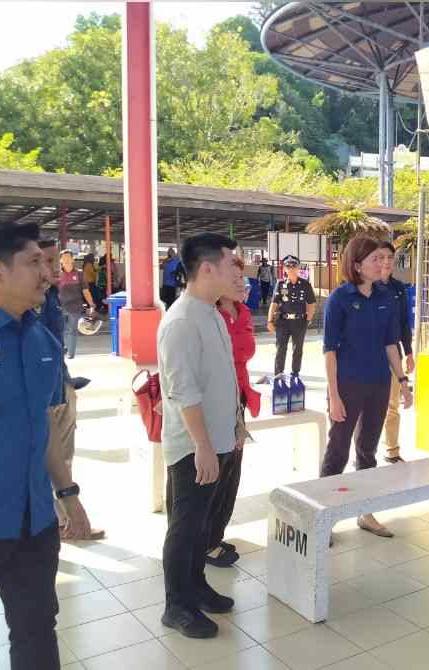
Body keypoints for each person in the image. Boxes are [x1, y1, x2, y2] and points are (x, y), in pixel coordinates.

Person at [0, 220, 91, 670]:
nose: (48, 273)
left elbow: (45, 427)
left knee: (36, 631)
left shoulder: (42, 340)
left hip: (35, 527)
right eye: (34, 262)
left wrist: (68, 495)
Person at [157, 233, 247, 638]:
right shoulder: (180, 321)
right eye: (232, 265)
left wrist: (236, 423)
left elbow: (223, 377)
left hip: (219, 439)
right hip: (195, 447)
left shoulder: (211, 312)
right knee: (186, 525)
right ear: (207, 268)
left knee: (204, 523)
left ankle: (196, 587)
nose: (237, 273)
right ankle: (176, 605)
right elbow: (182, 390)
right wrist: (203, 447)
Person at [321, 236, 413, 539]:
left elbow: (390, 344)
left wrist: (402, 381)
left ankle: (366, 512)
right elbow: (329, 350)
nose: (382, 264)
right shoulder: (340, 299)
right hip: (346, 385)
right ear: (357, 264)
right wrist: (333, 396)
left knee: (368, 451)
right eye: (375, 259)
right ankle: (325, 517)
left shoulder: (386, 297)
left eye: (383, 259)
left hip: (378, 383)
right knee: (337, 451)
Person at [38, 239, 104, 541]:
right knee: (50, 457)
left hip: (59, 383)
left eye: (55, 261)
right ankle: (60, 520)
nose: (51, 268)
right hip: (43, 395)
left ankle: (66, 519)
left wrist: (66, 383)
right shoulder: (26, 305)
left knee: (65, 455)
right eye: (44, 261)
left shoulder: (51, 294)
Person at [206, 255, 260, 568]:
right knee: (213, 471)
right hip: (215, 400)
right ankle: (203, 541)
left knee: (232, 471)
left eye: (244, 279)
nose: (242, 284)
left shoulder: (244, 312)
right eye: (235, 278)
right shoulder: (208, 315)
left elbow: (242, 353)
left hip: (238, 398)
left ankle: (215, 534)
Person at [374, 242, 414, 463]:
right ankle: (363, 450)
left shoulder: (399, 289)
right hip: (368, 354)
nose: (387, 261)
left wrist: (408, 352)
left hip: (393, 354)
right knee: (367, 404)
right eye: (381, 257)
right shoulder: (365, 286)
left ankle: (392, 450)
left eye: (390, 257)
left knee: (392, 404)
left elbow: (403, 322)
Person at [267, 254, 316, 378]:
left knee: (297, 349)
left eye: (294, 266)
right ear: (284, 269)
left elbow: (311, 304)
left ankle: (295, 373)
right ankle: (279, 374)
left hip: (299, 321)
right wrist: (269, 321)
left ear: (298, 268)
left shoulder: (305, 284)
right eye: (288, 266)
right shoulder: (281, 284)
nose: (291, 268)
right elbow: (274, 303)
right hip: (283, 321)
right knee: (280, 348)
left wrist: (308, 320)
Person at [57, 250, 96, 359]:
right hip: (60, 306)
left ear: (72, 259)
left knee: (72, 330)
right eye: (64, 258)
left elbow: (85, 291)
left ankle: (71, 353)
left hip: (75, 306)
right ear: (60, 260)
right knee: (61, 330)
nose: (66, 260)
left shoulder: (79, 273)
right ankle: (62, 350)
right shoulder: (57, 274)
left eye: (68, 258)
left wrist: (91, 304)